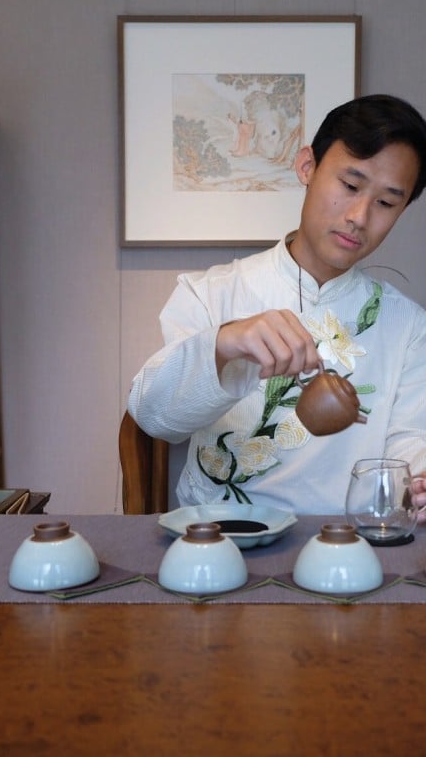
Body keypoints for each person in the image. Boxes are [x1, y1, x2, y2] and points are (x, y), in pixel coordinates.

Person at [127, 94, 426, 517]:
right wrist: (225, 344)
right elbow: (154, 417)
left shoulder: (409, 326)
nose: (359, 216)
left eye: (386, 202)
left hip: (348, 548)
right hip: (219, 541)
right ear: (307, 166)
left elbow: (413, 442)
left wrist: (420, 479)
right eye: (350, 185)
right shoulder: (211, 293)